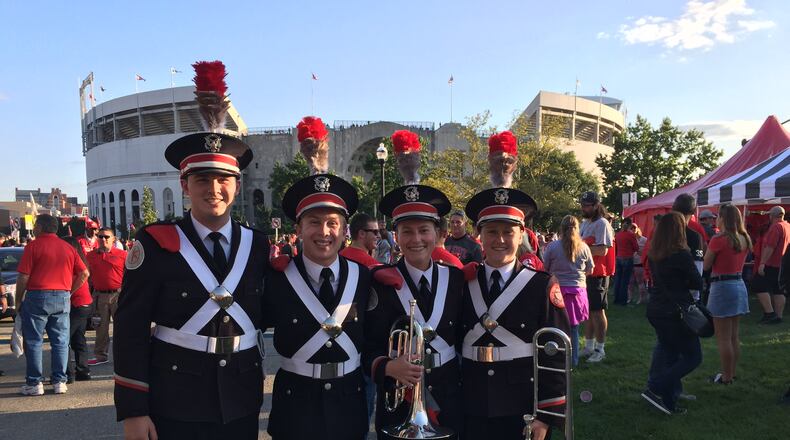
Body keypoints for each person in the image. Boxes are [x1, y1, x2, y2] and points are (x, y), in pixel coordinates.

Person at [113, 61, 270, 439]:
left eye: (223, 179)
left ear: (236, 185)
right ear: (184, 185)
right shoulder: (156, 244)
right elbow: (131, 328)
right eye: (202, 179)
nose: (213, 189)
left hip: (241, 399)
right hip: (177, 401)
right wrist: (134, 410)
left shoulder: (258, 245)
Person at [262, 116, 370, 440]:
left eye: (332, 223)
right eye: (313, 222)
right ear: (297, 228)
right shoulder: (277, 278)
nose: (324, 232)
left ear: (344, 229)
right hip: (295, 412)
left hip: (349, 408)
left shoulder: (365, 278)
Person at [460, 131, 569, 440]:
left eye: (508, 232)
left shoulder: (542, 285)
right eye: (491, 231)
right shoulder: (463, 282)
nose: (500, 240)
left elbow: (556, 353)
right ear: (479, 235)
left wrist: (546, 416)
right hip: (471, 403)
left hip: (522, 407)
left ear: (522, 235)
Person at [366, 144, 464, 436]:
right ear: (395, 236)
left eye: (424, 230)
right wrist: (387, 367)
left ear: (438, 234)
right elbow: (365, 345)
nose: (416, 239)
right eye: (406, 231)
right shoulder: (379, 282)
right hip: (399, 401)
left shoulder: (456, 279)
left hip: (448, 396)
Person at [16, 213, 90, 396]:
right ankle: (59, 381)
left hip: (37, 295)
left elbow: (23, 276)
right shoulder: (68, 247)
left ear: (40, 227)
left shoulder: (33, 246)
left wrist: (18, 300)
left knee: (34, 341)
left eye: (35, 226)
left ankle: (35, 382)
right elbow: (84, 273)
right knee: (61, 341)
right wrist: (69, 291)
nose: (34, 229)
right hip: (62, 296)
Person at [641, 212, 703, 415]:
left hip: (656, 308)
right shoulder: (681, 255)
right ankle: (657, 387)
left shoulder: (654, 254)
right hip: (675, 311)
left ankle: (668, 401)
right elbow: (697, 282)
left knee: (670, 354)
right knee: (693, 356)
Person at [704, 203, 751, 385]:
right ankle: (731, 372)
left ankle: (726, 377)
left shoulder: (719, 239)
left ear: (723, 218)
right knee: (733, 336)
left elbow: (706, 265)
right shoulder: (744, 237)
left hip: (722, 285)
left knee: (723, 337)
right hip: (738, 283)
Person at [543, 215, 592, 366]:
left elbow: (545, 268)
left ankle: (556, 359)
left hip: (557, 291)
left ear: (561, 228)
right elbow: (590, 269)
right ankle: (573, 360)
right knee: (574, 328)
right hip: (577, 291)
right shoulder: (584, 247)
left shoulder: (552, 247)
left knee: (556, 327)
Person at [578, 191, 615, 363]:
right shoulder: (585, 223)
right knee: (588, 312)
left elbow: (602, 250)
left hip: (598, 273)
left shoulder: (602, 223)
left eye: (587, 205)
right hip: (585, 273)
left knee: (597, 312)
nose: (583, 208)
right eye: (582, 205)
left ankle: (600, 349)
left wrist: (578, 249)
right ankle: (589, 346)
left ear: (596, 205)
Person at [86, 227, 127, 366]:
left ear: (113, 239)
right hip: (99, 296)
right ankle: (100, 355)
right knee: (100, 329)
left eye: (106, 237)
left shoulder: (123, 255)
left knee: (122, 327)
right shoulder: (90, 256)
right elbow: (87, 276)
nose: (103, 239)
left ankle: (124, 356)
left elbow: (131, 275)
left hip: (118, 295)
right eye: (100, 236)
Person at [61, 236, 93, 382]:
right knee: (78, 338)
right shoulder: (81, 259)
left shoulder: (71, 260)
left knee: (64, 339)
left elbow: (84, 275)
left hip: (76, 303)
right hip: (84, 303)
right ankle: (83, 370)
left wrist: (69, 292)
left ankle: (67, 373)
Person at [752, 206, 790, 323]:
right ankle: (778, 316)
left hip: (772, 263)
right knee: (778, 290)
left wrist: (762, 263)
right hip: (783, 264)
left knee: (757, 285)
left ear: (771, 216)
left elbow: (770, 247)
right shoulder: (788, 226)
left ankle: (769, 313)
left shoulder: (776, 227)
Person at [672, 194, 704, 300]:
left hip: (663, 293)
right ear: (694, 211)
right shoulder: (695, 235)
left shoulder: (661, 233)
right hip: (685, 294)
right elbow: (698, 264)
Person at [613, 218, 639, 306]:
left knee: (618, 280)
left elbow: (616, 247)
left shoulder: (618, 235)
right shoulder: (631, 235)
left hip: (619, 257)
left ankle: (616, 299)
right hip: (628, 258)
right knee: (625, 281)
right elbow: (636, 247)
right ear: (629, 225)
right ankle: (623, 301)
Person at [629, 224, 648, 304]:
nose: (633, 229)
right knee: (630, 282)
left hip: (639, 263)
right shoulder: (630, 239)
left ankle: (642, 299)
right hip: (630, 262)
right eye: (631, 228)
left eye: (634, 227)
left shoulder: (644, 239)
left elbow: (647, 250)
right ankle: (630, 298)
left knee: (640, 281)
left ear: (638, 228)